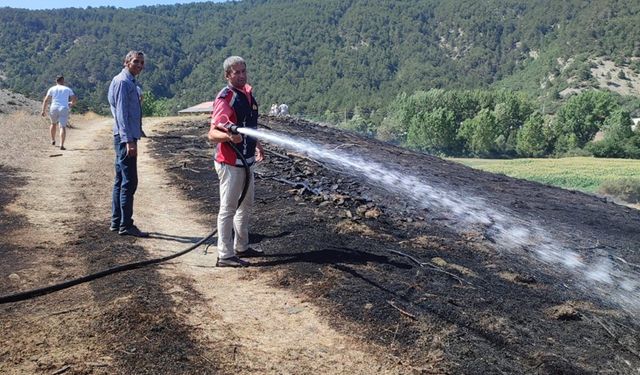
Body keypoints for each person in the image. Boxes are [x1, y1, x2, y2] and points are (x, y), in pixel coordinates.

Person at [208, 56, 265, 267]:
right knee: (228, 207)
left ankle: (242, 246)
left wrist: (257, 144)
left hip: (247, 161)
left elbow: (249, 124)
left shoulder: (247, 94)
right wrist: (229, 136)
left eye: (243, 71)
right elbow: (212, 134)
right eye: (236, 72)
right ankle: (225, 254)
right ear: (227, 75)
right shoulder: (226, 98)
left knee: (246, 205)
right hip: (230, 163)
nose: (241, 75)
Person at [108, 50, 149, 237]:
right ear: (126, 62)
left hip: (126, 136)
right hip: (125, 138)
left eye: (141, 62)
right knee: (129, 181)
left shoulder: (129, 81)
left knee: (121, 180)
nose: (139, 65)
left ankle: (117, 222)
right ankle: (126, 225)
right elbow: (121, 114)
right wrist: (128, 141)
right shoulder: (123, 82)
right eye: (135, 62)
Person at [41, 75, 77, 150]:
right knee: (62, 127)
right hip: (64, 108)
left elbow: (46, 100)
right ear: (63, 81)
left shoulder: (52, 89)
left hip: (53, 108)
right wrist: (71, 103)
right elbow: (74, 99)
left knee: (53, 124)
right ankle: (61, 144)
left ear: (56, 81)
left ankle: (53, 140)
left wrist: (43, 110)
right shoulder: (67, 89)